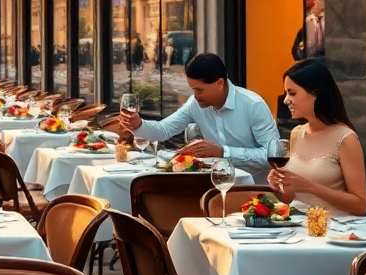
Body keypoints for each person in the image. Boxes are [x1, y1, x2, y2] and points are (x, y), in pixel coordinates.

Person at [119, 53, 279, 181]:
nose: (195, 96)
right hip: (212, 184)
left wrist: (223, 152)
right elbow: (163, 130)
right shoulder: (195, 104)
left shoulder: (253, 105)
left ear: (219, 83)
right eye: (192, 89)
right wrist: (138, 124)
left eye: (199, 90)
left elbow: (273, 156)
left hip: (255, 190)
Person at [270, 59, 366, 217]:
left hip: (333, 230)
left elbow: (360, 205)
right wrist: (278, 187)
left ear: (315, 94)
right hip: (296, 226)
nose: (285, 100)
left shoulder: (345, 138)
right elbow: (290, 198)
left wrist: (310, 187)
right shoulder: (296, 133)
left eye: (292, 93)